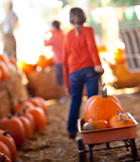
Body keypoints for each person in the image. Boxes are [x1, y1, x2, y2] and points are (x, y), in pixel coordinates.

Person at [63, 7, 104, 139]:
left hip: (73, 73)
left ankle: (71, 131)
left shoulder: (67, 36)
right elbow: (92, 47)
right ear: (83, 17)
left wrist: (67, 84)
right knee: (92, 100)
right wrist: (97, 65)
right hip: (89, 69)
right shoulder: (88, 30)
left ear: (70, 19)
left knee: (75, 100)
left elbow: (64, 61)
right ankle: (93, 129)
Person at [44, 20, 68, 104]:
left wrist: (46, 34)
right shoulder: (64, 34)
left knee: (60, 79)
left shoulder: (53, 36)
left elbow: (45, 44)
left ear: (53, 27)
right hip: (67, 60)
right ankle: (71, 96)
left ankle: (64, 97)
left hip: (58, 61)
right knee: (68, 78)